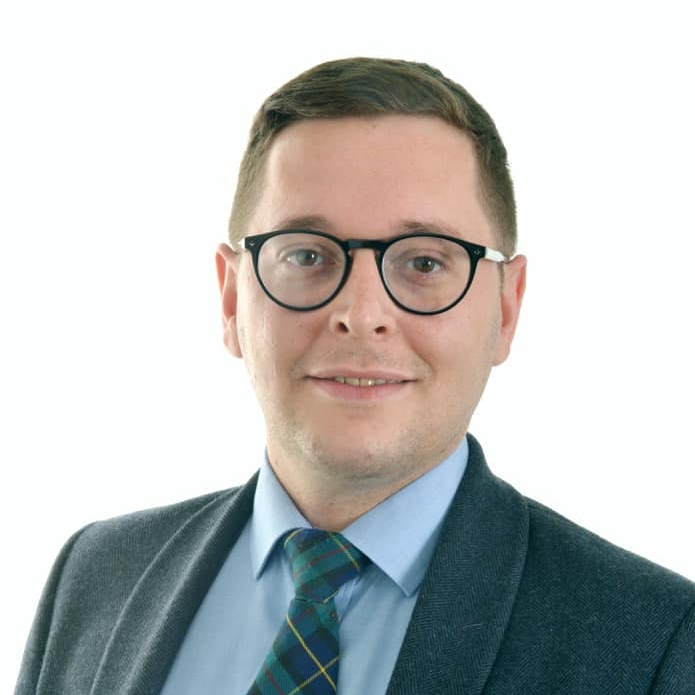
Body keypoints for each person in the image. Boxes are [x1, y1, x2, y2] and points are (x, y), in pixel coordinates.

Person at [15, 57, 695, 695]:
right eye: (306, 255)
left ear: (507, 309)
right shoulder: (95, 576)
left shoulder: (654, 642)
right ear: (230, 300)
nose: (361, 315)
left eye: (424, 262)